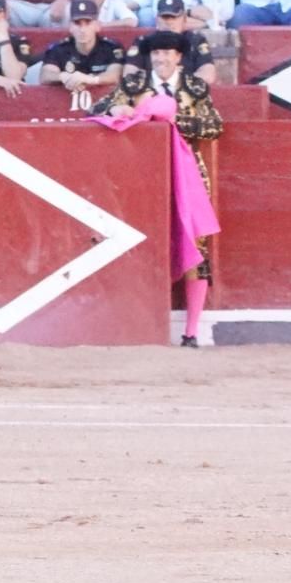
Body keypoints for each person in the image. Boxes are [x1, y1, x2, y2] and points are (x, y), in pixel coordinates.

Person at [92, 29, 222, 347]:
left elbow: (215, 125)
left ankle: (191, 332)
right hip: (144, 176)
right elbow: (95, 111)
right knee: (143, 242)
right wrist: (116, 111)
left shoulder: (195, 87)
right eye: (156, 54)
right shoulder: (133, 85)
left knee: (196, 248)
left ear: (179, 57)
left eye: (168, 54)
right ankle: (137, 327)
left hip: (189, 175)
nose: (162, 59)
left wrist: (173, 120)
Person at [39, 0, 122, 108]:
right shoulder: (59, 48)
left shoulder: (111, 47)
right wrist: (64, 77)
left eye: (88, 23)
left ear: (97, 26)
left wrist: (90, 79)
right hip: (64, 108)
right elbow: (45, 75)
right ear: (70, 27)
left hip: (106, 106)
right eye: (77, 23)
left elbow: (115, 75)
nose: (82, 30)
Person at [125, 0, 218, 80]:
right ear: (157, 18)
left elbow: (208, 74)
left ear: (184, 18)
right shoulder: (143, 41)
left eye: (174, 17)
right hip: (152, 93)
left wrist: (175, 83)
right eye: (165, 17)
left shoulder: (196, 41)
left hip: (186, 93)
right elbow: (129, 73)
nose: (169, 22)